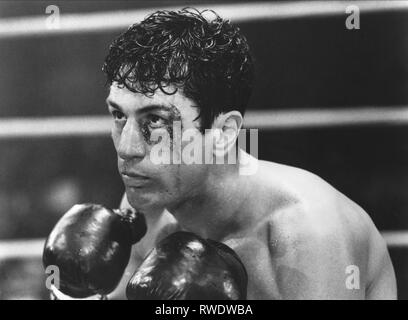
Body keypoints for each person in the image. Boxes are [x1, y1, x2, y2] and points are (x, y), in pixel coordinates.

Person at [102, 8, 396, 299]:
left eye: (155, 120)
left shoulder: (309, 234)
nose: (127, 148)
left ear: (225, 133)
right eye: (118, 115)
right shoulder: (148, 205)